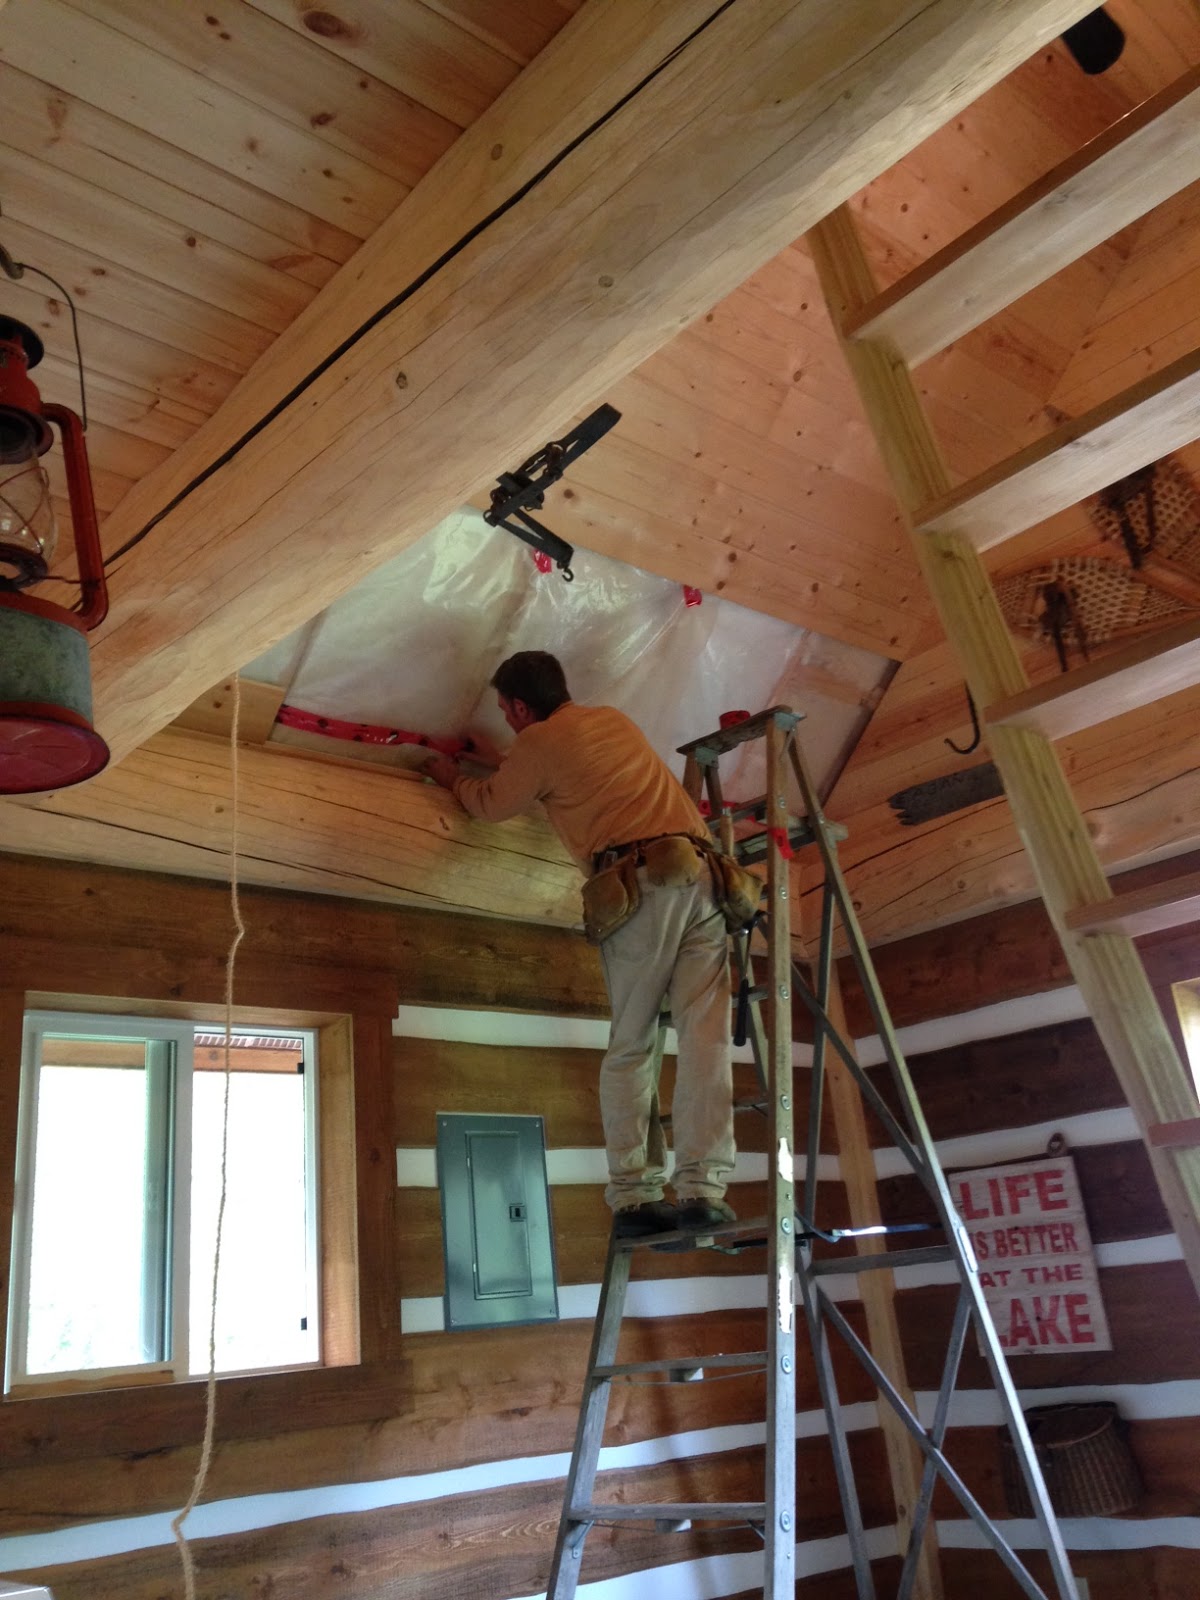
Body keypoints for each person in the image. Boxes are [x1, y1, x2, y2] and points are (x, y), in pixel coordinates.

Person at [422, 651, 735, 1240]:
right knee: (705, 1040)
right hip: (706, 882)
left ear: (518, 706)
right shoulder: (612, 721)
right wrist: (505, 760)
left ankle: (637, 1196)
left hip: (643, 887)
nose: (509, 723)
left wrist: (450, 778)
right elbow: (563, 770)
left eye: (505, 712)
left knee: (633, 1044)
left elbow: (491, 805)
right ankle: (702, 1190)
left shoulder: (538, 743)